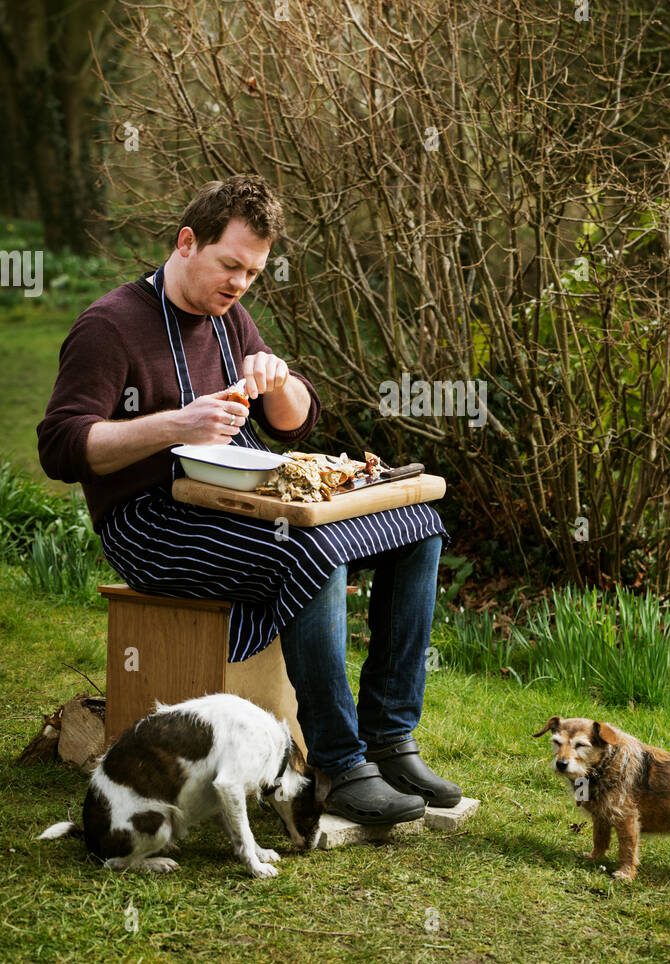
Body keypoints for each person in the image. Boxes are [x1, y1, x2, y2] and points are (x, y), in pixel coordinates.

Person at [38, 174, 461, 824]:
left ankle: (390, 738)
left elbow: (297, 424)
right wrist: (175, 425)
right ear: (186, 243)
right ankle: (339, 765)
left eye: (253, 273)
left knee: (418, 525)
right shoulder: (109, 326)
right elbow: (60, 446)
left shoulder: (230, 318)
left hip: (238, 505)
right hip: (150, 523)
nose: (239, 284)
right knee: (311, 547)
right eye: (229, 265)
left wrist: (279, 378)